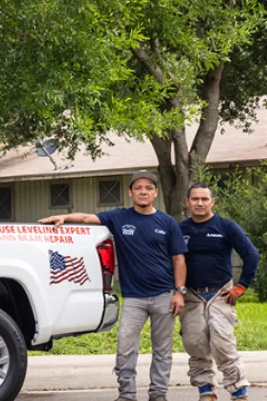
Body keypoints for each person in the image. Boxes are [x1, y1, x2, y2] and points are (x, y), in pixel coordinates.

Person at [39, 171, 187, 401]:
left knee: (162, 349)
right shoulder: (119, 217)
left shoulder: (167, 222)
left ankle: (158, 394)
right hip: (134, 298)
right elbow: (88, 219)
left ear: (155, 193)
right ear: (130, 192)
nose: (143, 191)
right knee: (125, 347)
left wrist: (179, 292)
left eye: (148, 188)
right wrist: (64, 218)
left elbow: (179, 259)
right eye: (138, 188)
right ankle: (126, 394)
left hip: (164, 295)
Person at [178, 182, 258, 401]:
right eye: (195, 199)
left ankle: (238, 391)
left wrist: (241, 286)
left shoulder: (226, 226)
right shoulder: (180, 229)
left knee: (223, 343)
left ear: (212, 202)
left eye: (204, 199)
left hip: (220, 294)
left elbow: (251, 256)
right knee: (195, 344)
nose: (200, 203)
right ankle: (206, 390)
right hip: (191, 295)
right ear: (188, 202)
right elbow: (171, 261)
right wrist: (176, 290)